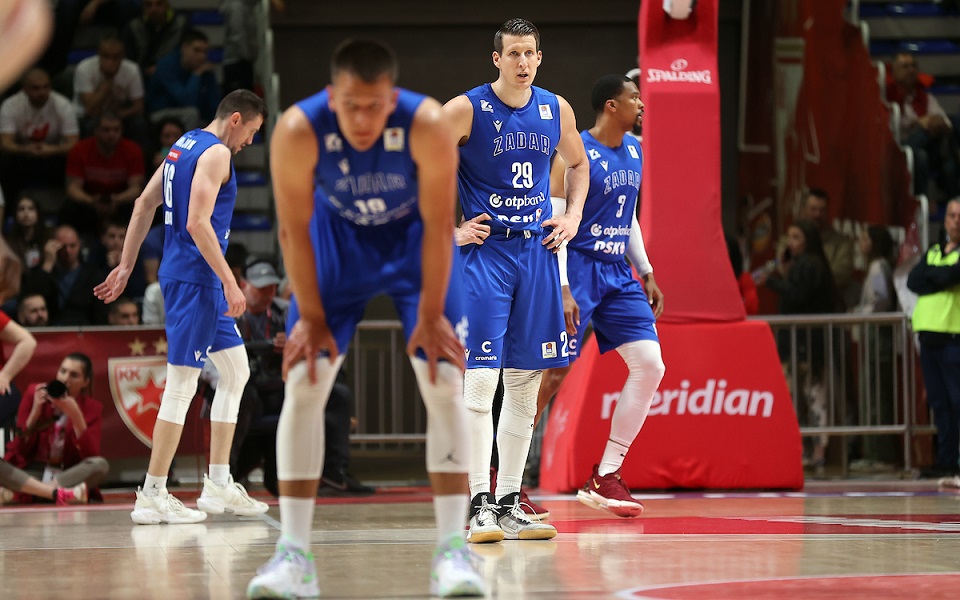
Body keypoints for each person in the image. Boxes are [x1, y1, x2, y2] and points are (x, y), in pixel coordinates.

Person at [248, 39, 485, 599]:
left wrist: (431, 315)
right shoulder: (297, 129)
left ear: (392, 98)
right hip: (338, 251)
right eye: (351, 105)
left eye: (374, 106)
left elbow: (439, 225)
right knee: (305, 381)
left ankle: (453, 551)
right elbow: (292, 231)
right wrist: (310, 317)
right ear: (332, 96)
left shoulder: (427, 122)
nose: (362, 119)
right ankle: (294, 555)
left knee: (444, 380)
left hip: (412, 249)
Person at [443, 17, 588, 544]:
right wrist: (449, 232)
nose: (523, 62)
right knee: (482, 383)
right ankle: (478, 502)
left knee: (526, 384)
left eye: (530, 53)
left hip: (538, 253)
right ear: (497, 59)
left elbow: (578, 164)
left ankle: (508, 501)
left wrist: (572, 216)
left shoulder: (556, 108)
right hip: (486, 255)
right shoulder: (465, 108)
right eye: (514, 54)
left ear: (539, 58)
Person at [94, 89, 269, 525]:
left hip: (190, 277)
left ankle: (219, 482)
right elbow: (196, 223)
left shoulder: (183, 144)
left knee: (236, 372)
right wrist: (230, 280)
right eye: (251, 131)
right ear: (235, 119)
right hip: (197, 280)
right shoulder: (217, 154)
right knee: (181, 385)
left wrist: (126, 266)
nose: (250, 142)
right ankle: (152, 493)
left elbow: (143, 203)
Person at [533, 74, 665, 518]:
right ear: (612, 105)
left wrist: (645, 270)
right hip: (577, 267)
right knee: (552, 374)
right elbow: (555, 223)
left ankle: (606, 474)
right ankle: (501, 477)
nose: (641, 104)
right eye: (634, 98)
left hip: (617, 272)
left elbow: (628, 217)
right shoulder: (574, 154)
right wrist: (562, 287)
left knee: (651, 365)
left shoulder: (636, 150)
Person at [759, 219, 837, 468]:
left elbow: (797, 295)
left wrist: (771, 281)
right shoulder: (801, 264)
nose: (790, 243)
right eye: (788, 237)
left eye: (796, 237)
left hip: (807, 342)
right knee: (801, 396)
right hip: (799, 342)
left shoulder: (809, 265)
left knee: (813, 394)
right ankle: (805, 448)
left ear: (807, 240)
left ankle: (818, 450)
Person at [2, 352, 110, 504]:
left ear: (85, 382)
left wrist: (76, 415)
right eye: (63, 371)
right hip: (32, 473)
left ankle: (32, 493)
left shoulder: (91, 408)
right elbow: (20, 449)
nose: (65, 379)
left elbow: (90, 456)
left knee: (100, 465)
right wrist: (35, 412)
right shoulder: (34, 393)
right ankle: (57, 494)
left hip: (66, 474)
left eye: (74, 375)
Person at [907, 198, 960, 478]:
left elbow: (950, 275)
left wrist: (936, 277)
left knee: (957, 401)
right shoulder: (934, 251)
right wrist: (939, 277)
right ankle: (946, 460)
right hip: (928, 337)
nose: (956, 221)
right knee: (939, 403)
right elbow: (913, 280)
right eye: (951, 215)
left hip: (953, 336)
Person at [887, 52, 959, 199]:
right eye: (905, 66)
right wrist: (917, 122)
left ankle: (955, 202)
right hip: (899, 151)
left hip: (929, 150)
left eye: (914, 66)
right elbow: (891, 127)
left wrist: (934, 123)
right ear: (894, 71)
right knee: (920, 154)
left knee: (948, 163)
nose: (911, 70)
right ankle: (922, 201)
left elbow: (946, 122)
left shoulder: (925, 97)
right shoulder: (887, 98)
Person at [0, 67, 79, 201]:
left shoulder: (63, 105)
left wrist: (53, 150)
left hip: (53, 155)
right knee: (4, 159)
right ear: (25, 89)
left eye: (45, 87)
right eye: (36, 88)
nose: (42, 92)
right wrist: (25, 149)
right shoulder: (11, 105)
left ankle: (66, 203)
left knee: (74, 157)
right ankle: (10, 206)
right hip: (22, 155)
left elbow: (73, 143)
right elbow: (5, 142)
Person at [63, 112, 145, 236]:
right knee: (69, 208)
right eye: (106, 130)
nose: (111, 134)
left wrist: (117, 199)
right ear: (96, 130)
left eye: (116, 130)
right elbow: (73, 188)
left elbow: (136, 188)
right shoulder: (79, 149)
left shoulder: (133, 150)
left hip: (121, 203)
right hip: (89, 202)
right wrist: (92, 201)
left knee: (140, 207)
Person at [24, 224, 109, 326]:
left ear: (79, 245)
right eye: (63, 246)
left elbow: (100, 313)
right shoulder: (43, 272)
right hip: (49, 327)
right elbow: (32, 299)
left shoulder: (93, 275)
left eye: (72, 246)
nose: (68, 251)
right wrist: (48, 263)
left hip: (83, 328)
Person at [72, 35, 147, 143]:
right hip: (88, 116)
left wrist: (118, 115)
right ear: (99, 55)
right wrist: (109, 80)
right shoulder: (84, 68)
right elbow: (90, 107)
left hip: (119, 114)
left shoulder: (132, 69)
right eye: (106, 57)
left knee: (139, 124)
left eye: (115, 57)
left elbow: (139, 107)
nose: (110, 62)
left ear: (122, 57)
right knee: (90, 125)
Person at [146, 29, 221, 129]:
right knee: (191, 114)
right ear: (184, 48)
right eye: (196, 50)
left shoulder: (205, 70)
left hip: (193, 115)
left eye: (205, 52)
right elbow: (186, 100)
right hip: (161, 113)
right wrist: (196, 74)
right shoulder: (167, 65)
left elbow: (214, 103)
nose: (201, 56)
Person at [121, 0, 187, 79]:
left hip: (172, 74)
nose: (154, 9)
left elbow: (185, 57)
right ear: (143, 8)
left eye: (159, 4)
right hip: (140, 77)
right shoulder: (133, 28)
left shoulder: (181, 25)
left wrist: (162, 68)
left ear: (167, 6)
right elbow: (128, 62)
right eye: (149, 5)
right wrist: (144, 71)